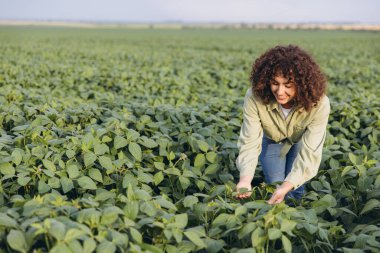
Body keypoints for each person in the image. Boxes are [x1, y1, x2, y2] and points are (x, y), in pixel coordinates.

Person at [235, 45, 330, 204]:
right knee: (275, 184)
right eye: (274, 83)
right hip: (272, 141)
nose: (279, 91)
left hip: (300, 142)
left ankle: (295, 217)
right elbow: (249, 141)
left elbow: (310, 153)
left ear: (302, 84)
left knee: (295, 188)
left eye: (288, 85)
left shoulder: (319, 103)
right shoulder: (254, 97)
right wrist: (245, 180)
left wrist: (288, 185)